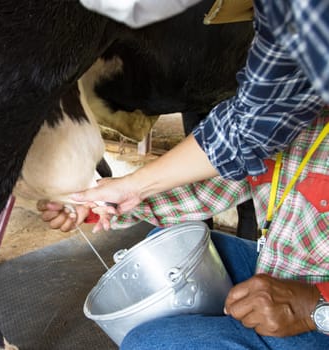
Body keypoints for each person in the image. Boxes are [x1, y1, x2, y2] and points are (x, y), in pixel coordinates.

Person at [38, 0, 329, 348]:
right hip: (283, 261)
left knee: (150, 342)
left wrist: (312, 305)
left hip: (317, 303)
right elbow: (225, 165)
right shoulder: (298, 109)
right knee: (162, 249)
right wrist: (113, 201)